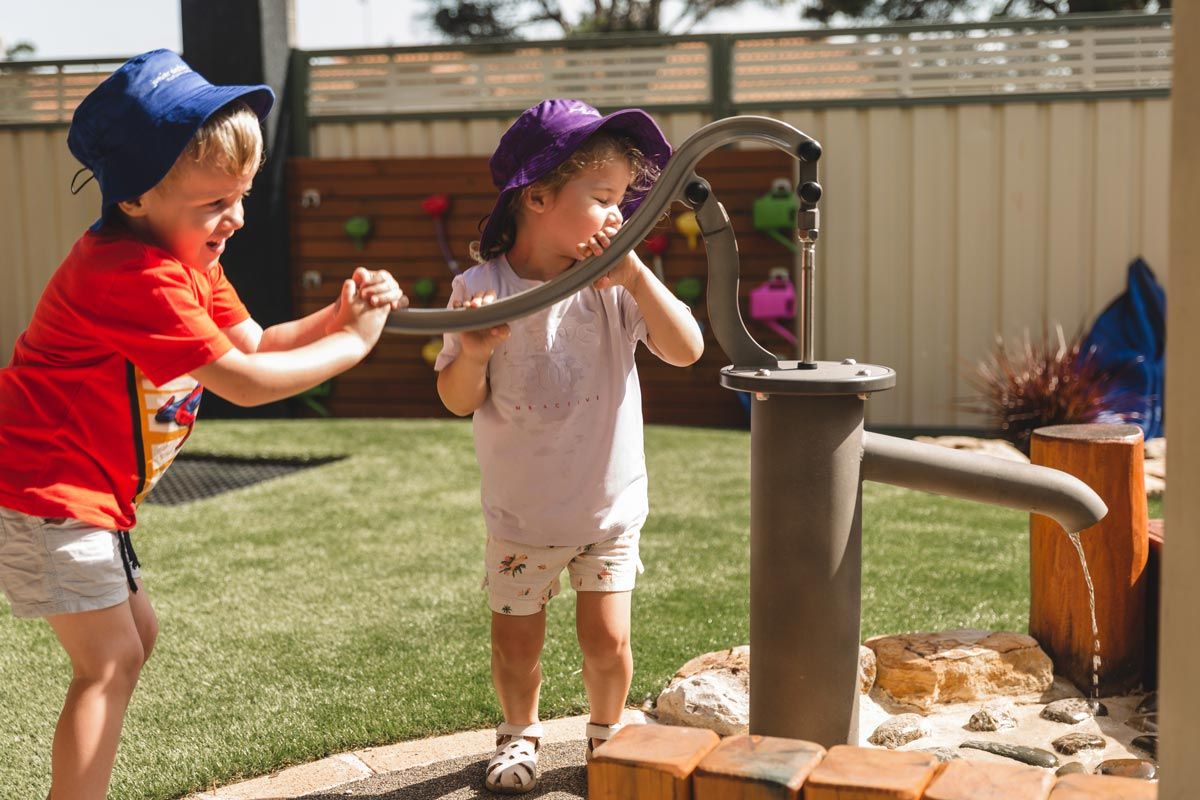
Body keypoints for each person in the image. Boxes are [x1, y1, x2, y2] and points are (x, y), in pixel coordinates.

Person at [0, 49, 404, 800]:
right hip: (46, 488)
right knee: (110, 661)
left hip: (88, 492)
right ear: (133, 200)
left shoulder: (184, 257)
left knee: (133, 642)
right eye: (214, 202)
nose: (237, 217)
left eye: (242, 194)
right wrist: (353, 344)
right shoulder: (131, 274)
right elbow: (246, 383)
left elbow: (252, 342)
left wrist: (339, 314)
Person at [434, 98, 704, 794]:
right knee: (516, 645)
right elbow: (458, 398)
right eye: (603, 198)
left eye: (623, 199)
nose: (620, 215)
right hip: (523, 516)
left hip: (607, 511)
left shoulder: (615, 285)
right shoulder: (480, 291)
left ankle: (607, 733)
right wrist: (472, 351)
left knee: (608, 642)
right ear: (540, 196)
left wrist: (639, 275)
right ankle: (519, 733)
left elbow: (687, 348)